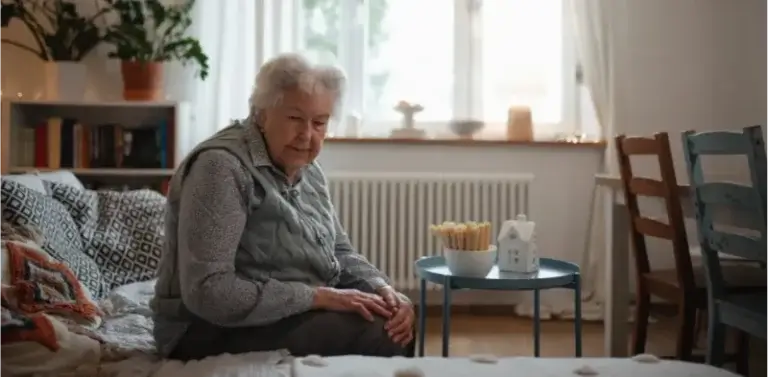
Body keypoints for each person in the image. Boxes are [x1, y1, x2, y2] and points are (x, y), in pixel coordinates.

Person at [150, 53, 416, 361]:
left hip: (288, 310)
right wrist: (317, 297)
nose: (307, 135)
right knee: (380, 332)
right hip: (204, 329)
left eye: (319, 123)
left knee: (398, 317)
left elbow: (338, 251)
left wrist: (382, 288)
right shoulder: (221, 168)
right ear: (261, 114)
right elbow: (209, 292)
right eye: (294, 119)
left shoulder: (309, 168)